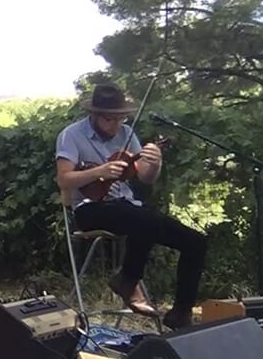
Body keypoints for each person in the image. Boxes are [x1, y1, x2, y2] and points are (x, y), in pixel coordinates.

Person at [54, 83, 206, 330]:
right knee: (140, 217)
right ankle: (128, 278)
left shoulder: (127, 133)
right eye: (108, 119)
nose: (115, 125)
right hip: (90, 208)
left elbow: (145, 177)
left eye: (120, 118)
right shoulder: (71, 135)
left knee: (195, 241)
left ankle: (180, 312)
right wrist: (99, 171)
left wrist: (155, 163)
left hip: (128, 208)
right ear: (94, 114)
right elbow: (64, 179)